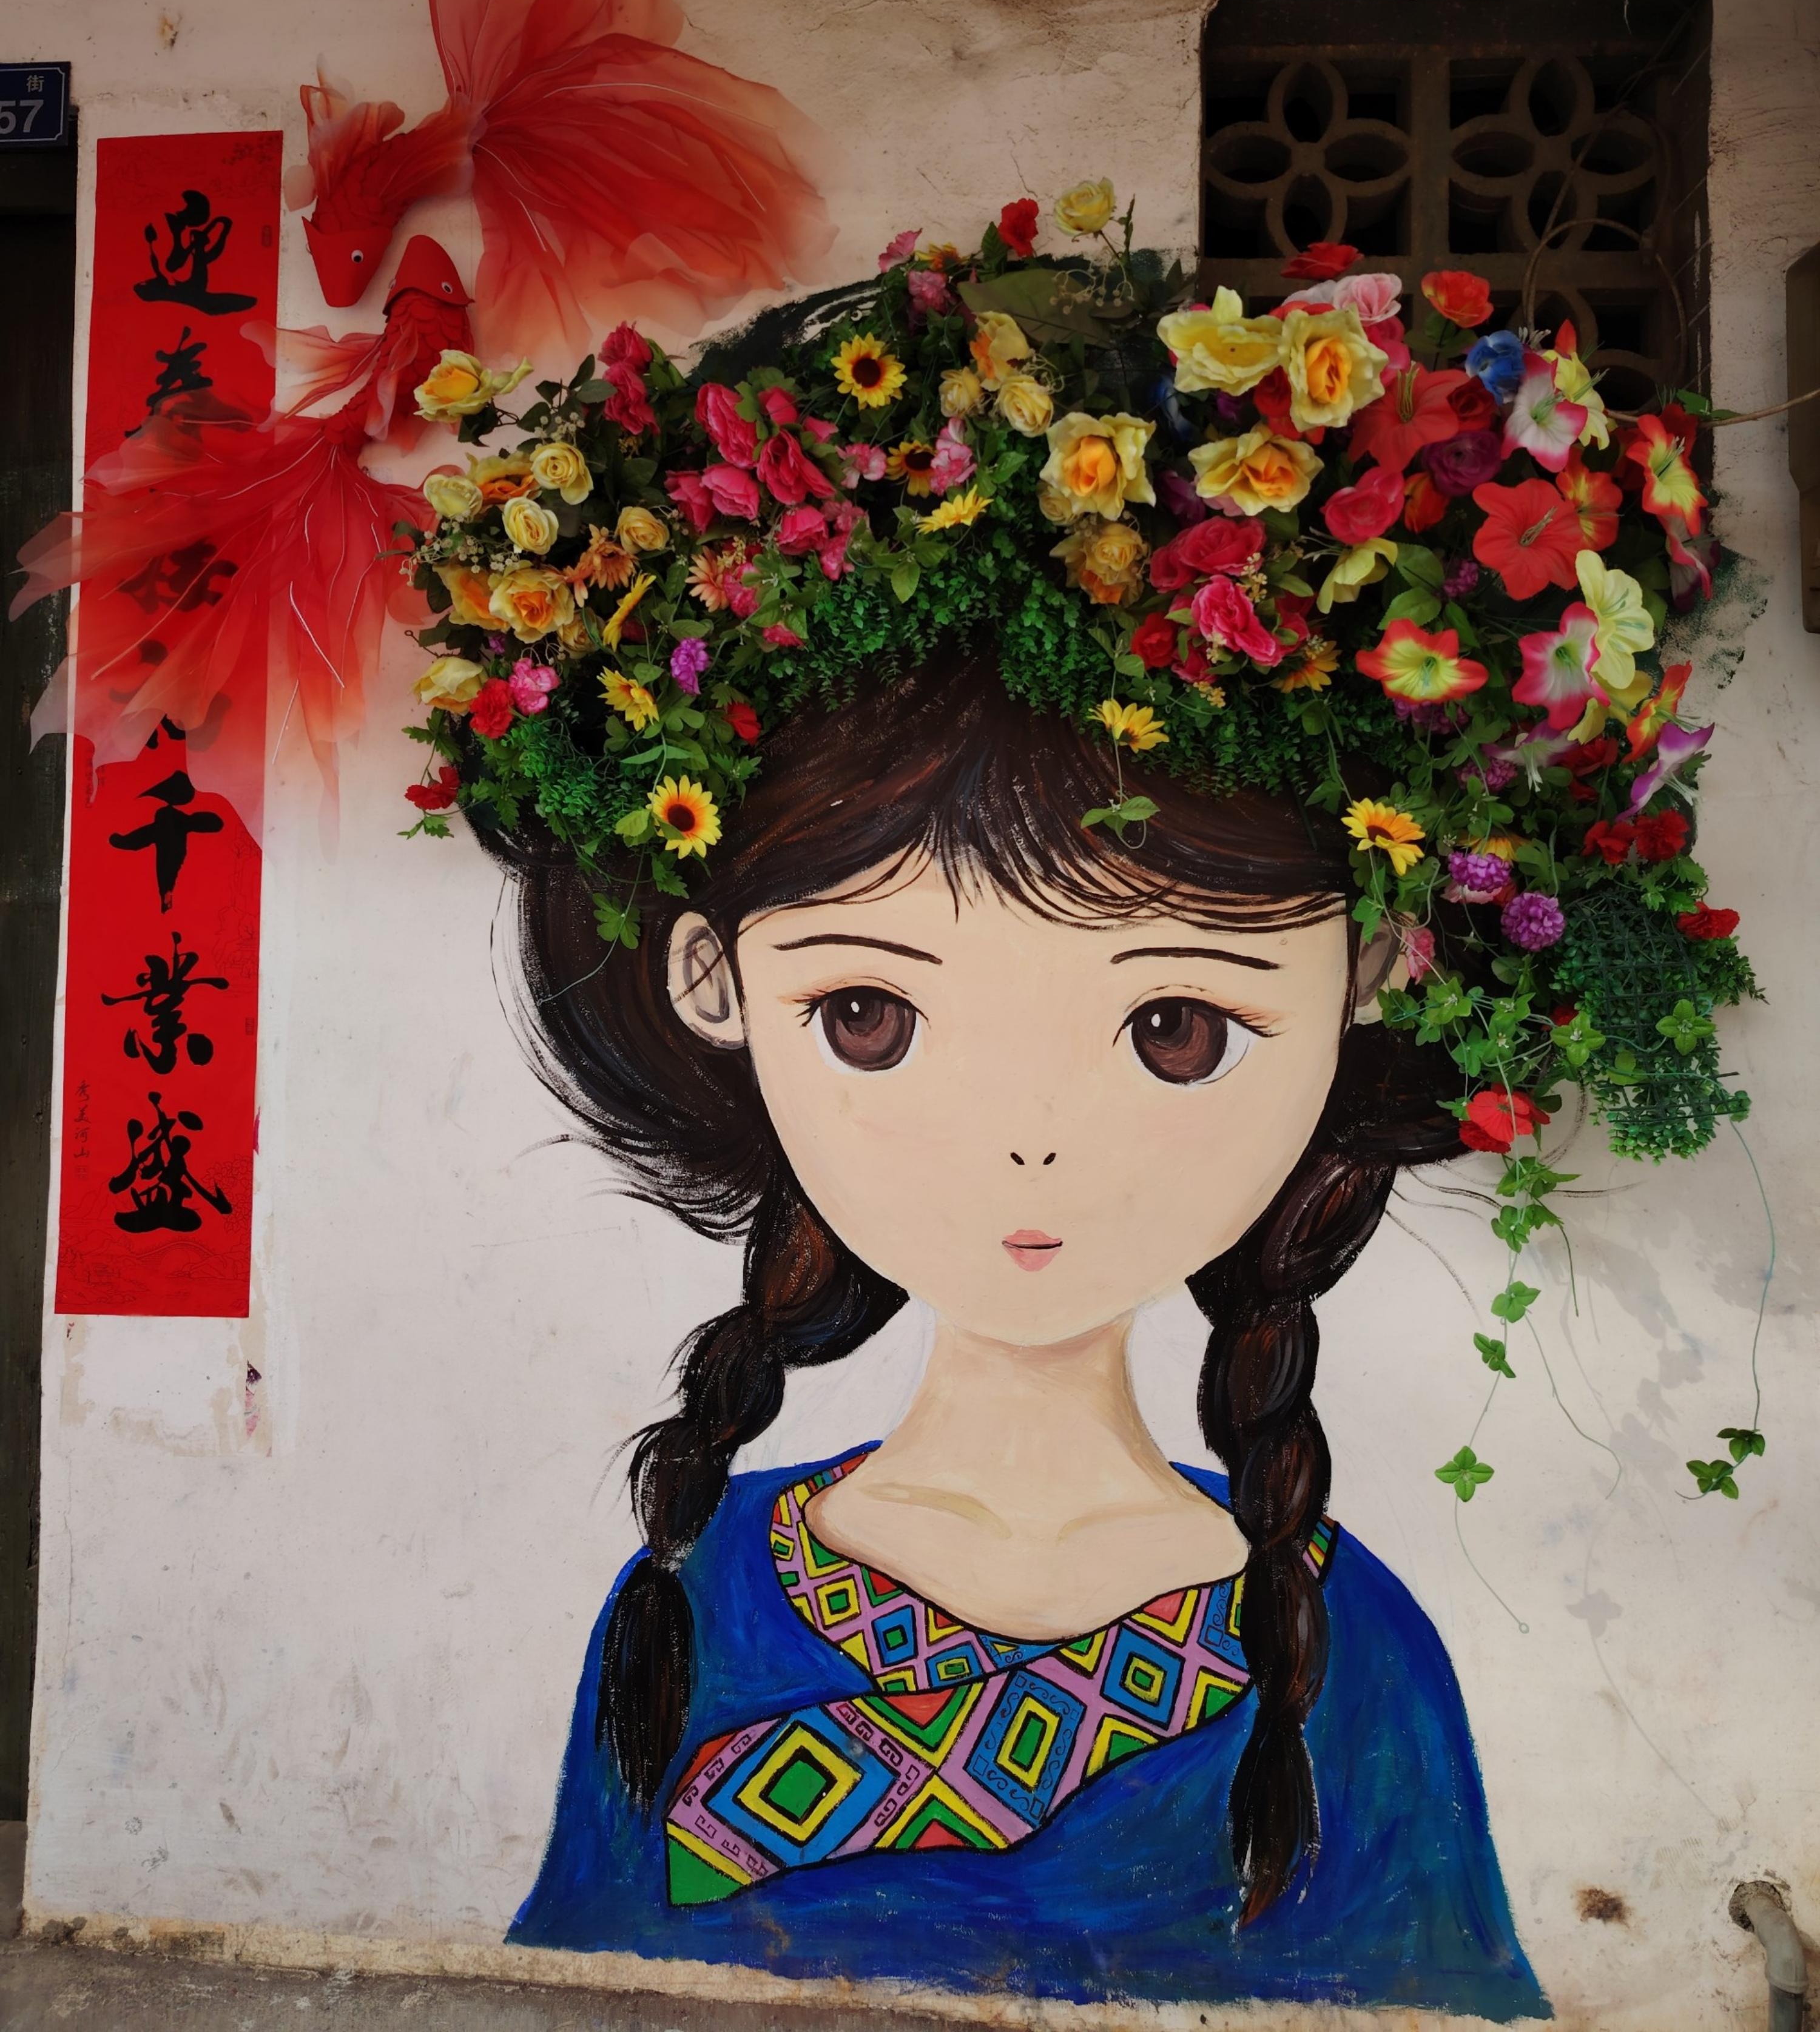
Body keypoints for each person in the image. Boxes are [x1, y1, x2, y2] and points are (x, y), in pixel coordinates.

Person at [497, 656, 1547, 2019]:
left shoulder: (1348, 1645)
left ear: (1370, 980)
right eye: (871, 1018)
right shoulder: (687, 1593)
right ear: (716, 983)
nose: (1029, 1139)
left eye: (1175, 1030)